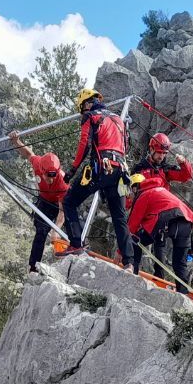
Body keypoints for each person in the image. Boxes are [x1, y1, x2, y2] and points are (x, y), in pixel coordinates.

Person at [62, 88, 134, 268]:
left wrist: (71, 171)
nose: (82, 114)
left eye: (82, 109)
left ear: (87, 104)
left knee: (69, 202)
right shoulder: (118, 119)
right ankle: (129, 262)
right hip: (120, 171)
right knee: (119, 217)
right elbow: (126, 146)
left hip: (101, 167)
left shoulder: (91, 117)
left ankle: (76, 244)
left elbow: (84, 144)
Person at [8, 131, 68, 274]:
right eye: (48, 176)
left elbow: (62, 211)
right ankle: (33, 267)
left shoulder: (63, 183)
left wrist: (56, 229)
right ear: (42, 170)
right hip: (44, 201)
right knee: (41, 231)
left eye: (54, 176)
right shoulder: (38, 164)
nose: (51, 179)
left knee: (66, 229)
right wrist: (17, 141)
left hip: (57, 204)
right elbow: (29, 154)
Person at [126, 173, 193, 286]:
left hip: (166, 222)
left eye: (129, 191)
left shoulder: (143, 195)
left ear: (134, 188)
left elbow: (131, 226)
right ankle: (183, 293)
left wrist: (120, 251)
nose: (129, 195)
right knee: (180, 264)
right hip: (186, 221)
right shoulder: (159, 190)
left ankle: (131, 272)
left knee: (135, 241)